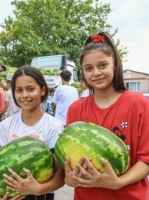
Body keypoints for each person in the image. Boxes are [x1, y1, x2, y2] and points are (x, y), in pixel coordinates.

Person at [65, 32, 149, 200]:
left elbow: (146, 160)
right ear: (82, 72)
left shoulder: (139, 103)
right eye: (89, 68)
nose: (96, 73)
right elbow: (69, 171)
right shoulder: (75, 109)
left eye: (102, 65)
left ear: (115, 65)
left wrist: (118, 182)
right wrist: (71, 178)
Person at [0, 66, 65, 200]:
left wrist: (38, 189)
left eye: (30, 89)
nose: (24, 95)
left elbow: (60, 177)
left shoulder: (54, 126)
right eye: (19, 90)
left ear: (42, 90)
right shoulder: (5, 125)